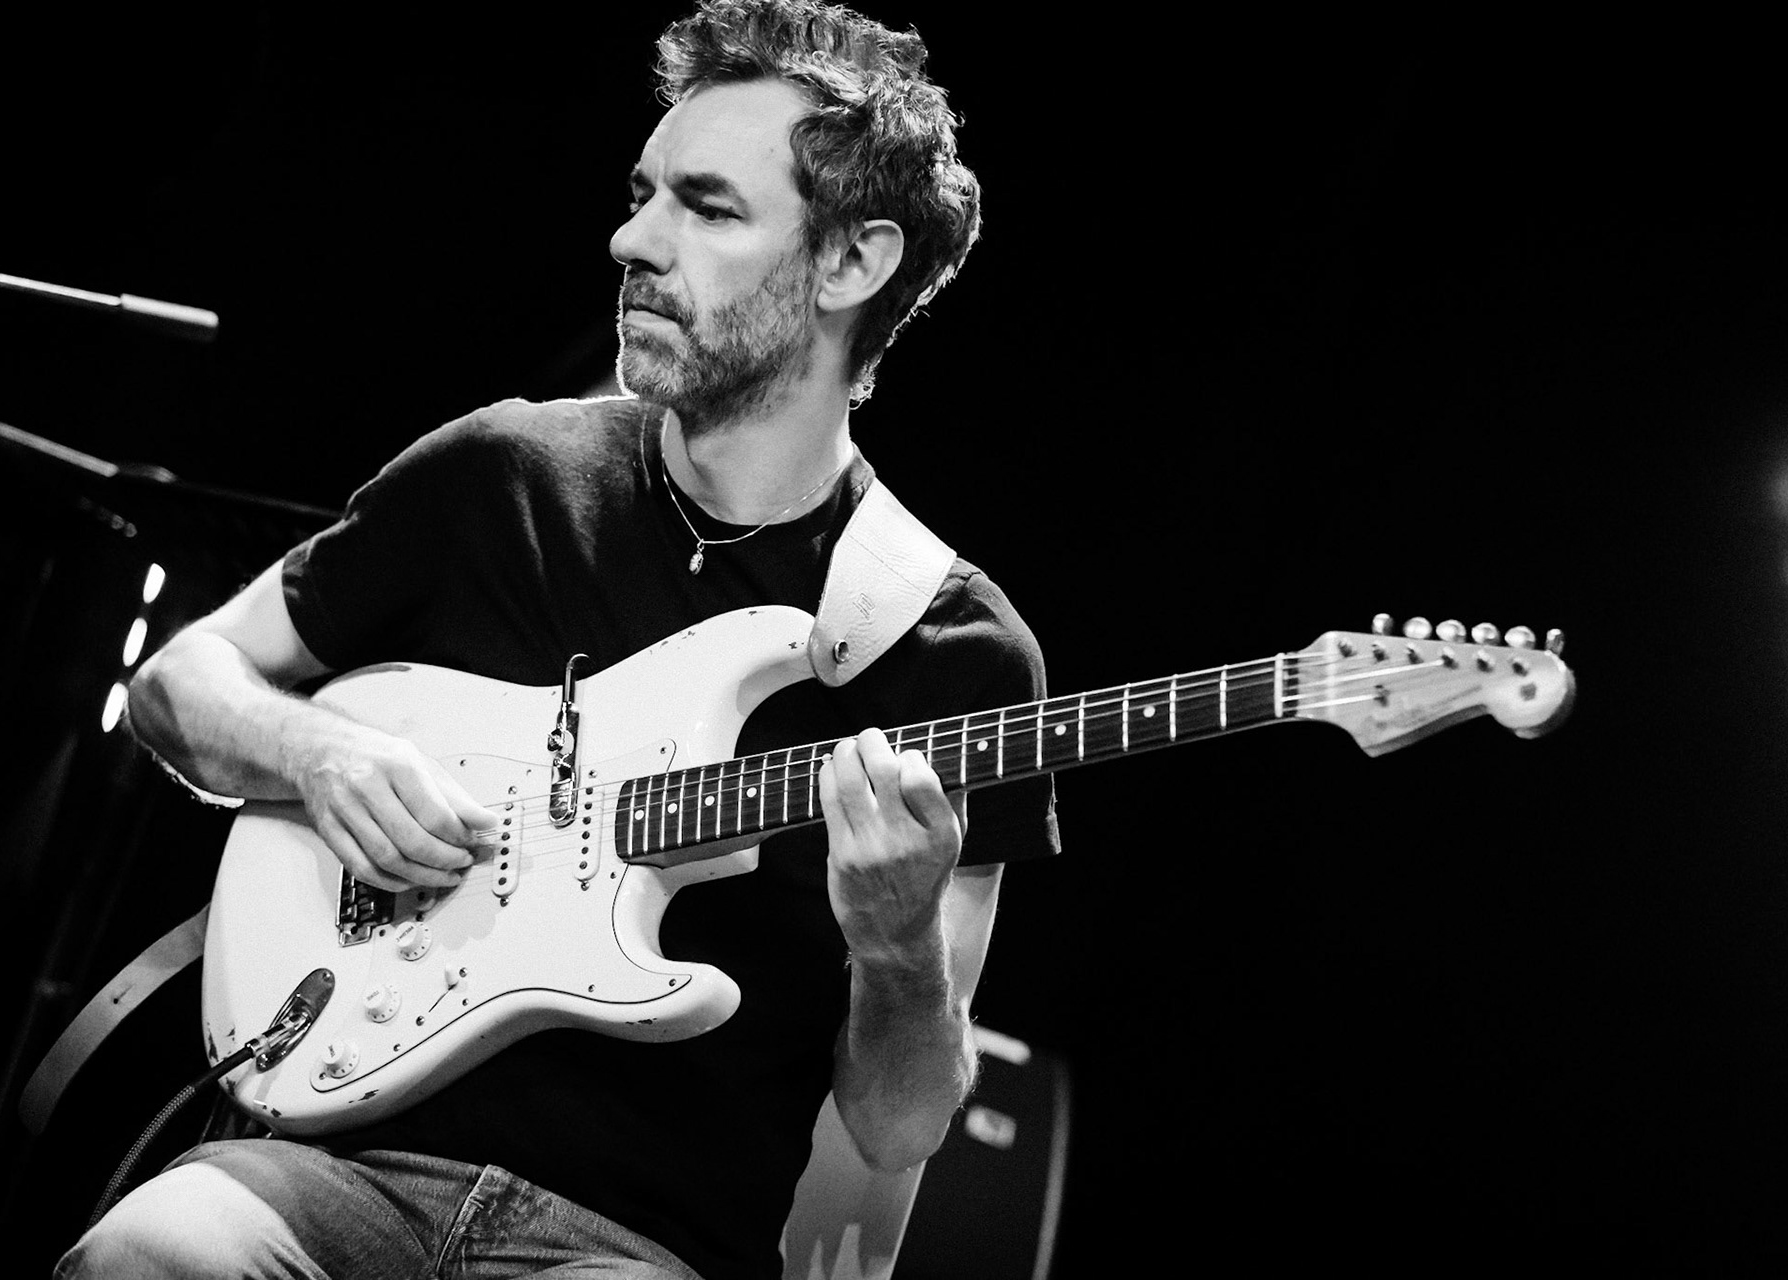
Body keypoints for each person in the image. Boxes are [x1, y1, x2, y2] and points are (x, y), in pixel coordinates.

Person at [60, 2, 1058, 1276]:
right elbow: (178, 680)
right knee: (145, 1255)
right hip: (329, 1163)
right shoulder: (504, 471)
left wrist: (900, 939)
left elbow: (898, 1115)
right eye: (644, 193)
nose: (632, 237)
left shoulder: (957, 649)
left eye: (705, 206)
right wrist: (318, 754)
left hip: (628, 1243)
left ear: (850, 265)